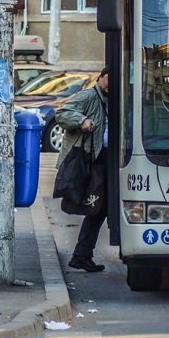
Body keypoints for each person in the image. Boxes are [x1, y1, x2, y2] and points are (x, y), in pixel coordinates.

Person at [55, 66, 110, 273]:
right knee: (98, 208)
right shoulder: (89, 96)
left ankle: (82, 254)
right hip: (94, 160)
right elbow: (62, 113)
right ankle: (81, 254)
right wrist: (82, 121)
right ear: (102, 77)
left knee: (100, 209)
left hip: (106, 159)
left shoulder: (115, 98)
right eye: (109, 79)